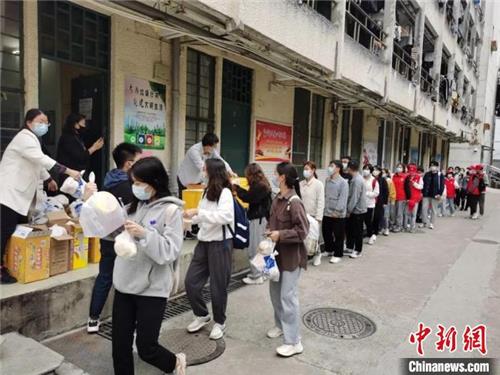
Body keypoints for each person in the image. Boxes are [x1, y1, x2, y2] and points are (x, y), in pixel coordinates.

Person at [111, 156, 186, 375]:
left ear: (155, 182)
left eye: (139, 183)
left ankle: (174, 363)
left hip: (152, 288)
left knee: (146, 348)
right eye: (133, 182)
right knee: (120, 346)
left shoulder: (171, 212)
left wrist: (145, 235)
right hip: (125, 283)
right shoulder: (132, 207)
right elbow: (113, 232)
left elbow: (170, 251)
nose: (135, 188)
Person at [0, 109, 80, 284]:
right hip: (9, 192)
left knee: (13, 229)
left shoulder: (32, 139)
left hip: (16, 193)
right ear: (29, 122)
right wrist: (68, 171)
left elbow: (36, 162)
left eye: (46, 123)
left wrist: (49, 178)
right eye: (40, 121)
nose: (44, 125)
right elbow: (41, 159)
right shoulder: (24, 138)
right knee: (4, 230)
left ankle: (11, 263)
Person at [87, 143, 142, 333]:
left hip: (106, 238)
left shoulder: (108, 180)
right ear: (128, 164)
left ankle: (93, 319)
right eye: (138, 161)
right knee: (127, 280)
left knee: (104, 277)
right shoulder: (129, 186)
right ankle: (128, 322)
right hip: (124, 241)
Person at [183, 158, 234, 340]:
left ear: (213, 172)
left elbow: (225, 216)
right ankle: (202, 314)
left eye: (205, 169)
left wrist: (198, 213)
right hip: (203, 243)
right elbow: (201, 214)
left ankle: (220, 322)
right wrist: (188, 219)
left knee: (217, 286)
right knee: (191, 282)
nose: (202, 172)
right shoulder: (206, 191)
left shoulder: (225, 193)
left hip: (220, 244)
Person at [265, 162, 309, 357]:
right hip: (273, 256)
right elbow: (271, 222)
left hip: (291, 258)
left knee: (287, 297)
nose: (274, 175)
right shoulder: (278, 199)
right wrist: (268, 235)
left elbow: (302, 231)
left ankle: (294, 341)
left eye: (276, 173)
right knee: (275, 293)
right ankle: (280, 325)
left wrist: (280, 235)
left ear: (282, 177)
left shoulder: (295, 202)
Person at [233, 163, 272, 285]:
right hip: (263, 219)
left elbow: (249, 198)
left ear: (251, 174)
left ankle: (256, 276)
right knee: (265, 248)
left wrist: (237, 189)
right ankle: (267, 273)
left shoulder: (259, 186)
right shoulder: (263, 183)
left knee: (254, 249)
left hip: (258, 220)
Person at [56, 113, 104, 179]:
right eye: (83, 124)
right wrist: (94, 148)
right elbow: (79, 156)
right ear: (75, 124)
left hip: (79, 174)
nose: (85, 126)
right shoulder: (67, 138)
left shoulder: (77, 137)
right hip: (71, 177)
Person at [322, 161, 349, 264]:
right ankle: (329, 250)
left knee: (338, 235)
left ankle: (338, 254)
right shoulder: (327, 180)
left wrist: (337, 211)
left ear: (338, 169)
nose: (329, 168)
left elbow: (343, 198)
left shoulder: (343, 182)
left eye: (332, 166)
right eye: (329, 165)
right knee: (326, 232)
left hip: (338, 214)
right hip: (327, 211)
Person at [299, 161, 325, 266]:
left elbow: (321, 201)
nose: (305, 171)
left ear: (313, 170)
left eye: (307, 169)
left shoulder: (318, 184)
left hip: (314, 216)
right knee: (303, 237)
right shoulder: (301, 184)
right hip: (302, 215)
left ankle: (317, 254)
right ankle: (303, 256)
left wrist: (319, 217)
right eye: (304, 169)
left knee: (314, 238)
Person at [345, 160, 367, 258]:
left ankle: (358, 250)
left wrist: (349, 210)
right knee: (351, 229)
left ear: (349, 168)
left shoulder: (357, 180)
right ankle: (350, 247)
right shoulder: (356, 178)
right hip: (355, 209)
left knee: (357, 231)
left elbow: (354, 197)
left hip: (358, 210)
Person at [421, 160, 445, 229]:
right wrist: (422, 192)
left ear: (437, 167)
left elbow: (442, 185)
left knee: (434, 210)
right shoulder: (427, 174)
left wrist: (439, 194)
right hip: (426, 194)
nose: (432, 167)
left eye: (434, 166)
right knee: (424, 208)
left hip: (435, 195)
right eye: (431, 166)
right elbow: (423, 183)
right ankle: (424, 222)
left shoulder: (440, 175)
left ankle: (432, 223)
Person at [362, 164, 379, 245]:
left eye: (368, 169)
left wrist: (366, 194)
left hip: (369, 204)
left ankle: (371, 235)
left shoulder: (374, 180)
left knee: (368, 222)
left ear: (371, 171)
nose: (366, 170)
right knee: (359, 222)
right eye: (364, 168)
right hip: (360, 204)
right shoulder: (361, 178)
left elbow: (376, 193)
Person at [403, 164, 423, 232]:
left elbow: (421, 187)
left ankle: (412, 227)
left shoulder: (419, 177)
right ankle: (405, 227)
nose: (411, 172)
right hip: (407, 197)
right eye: (410, 170)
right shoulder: (407, 177)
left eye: (413, 170)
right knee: (406, 213)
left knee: (413, 214)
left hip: (415, 198)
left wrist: (415, 184)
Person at [372, 165, 388, 238]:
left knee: (378, 215)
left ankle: (377, 229)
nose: (375, 171)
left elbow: (386, 191)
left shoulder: (382, 180)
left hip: (379, 200)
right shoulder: (371, 179)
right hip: (371, 200)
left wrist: (385, 202)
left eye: (377, 170)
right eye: (374, 169)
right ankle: (371, 230)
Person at [392, 163, 407, 232]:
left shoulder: (405, 177)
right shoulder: (394, 176)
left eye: (400, 167)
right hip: (394, 197)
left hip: (402, 197)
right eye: (398, 167)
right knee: (393, 212)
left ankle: (399, 226)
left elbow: (407, 188)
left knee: (399, 213)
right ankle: (394, 225)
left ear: (403, 169)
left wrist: (408, 197)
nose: (399, 168)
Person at [382, 168, 395, 236]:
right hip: (379, 200)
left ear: (387, 174)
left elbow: (392, 191)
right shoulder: (380, 179)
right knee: (381, 215)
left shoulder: (389, 181)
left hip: (387, 200)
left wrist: (392, 200)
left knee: (386, 215)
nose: (382, 173)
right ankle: (381, 228)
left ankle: (387, 228)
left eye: (384, 172)